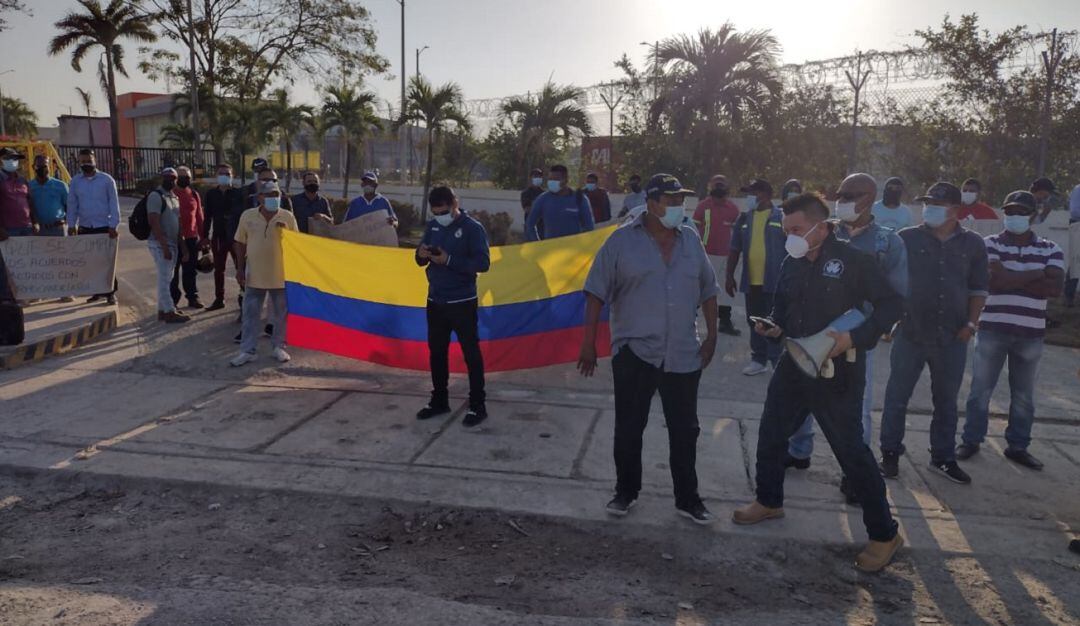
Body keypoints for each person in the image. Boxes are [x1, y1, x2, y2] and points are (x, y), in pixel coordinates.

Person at [731, 192, 904, 573]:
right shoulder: (792, 262)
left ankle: (884, 533)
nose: (788, 236)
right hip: (794, 361)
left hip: (837, 371)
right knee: (772, 433)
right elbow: (783, 308)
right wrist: (772, 326)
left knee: (850, 451)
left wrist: (855, 338)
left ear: (820, 228)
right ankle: (769, 500)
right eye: (785, 228)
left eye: (796, 229)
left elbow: (892, 305)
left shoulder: (855, 262)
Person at [578, 173, 719, 525]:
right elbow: (596, 292)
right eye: (671, 201)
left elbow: (709, 289)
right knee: (629, 427)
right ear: (652, 202)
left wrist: (713, 335)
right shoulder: (621, 242)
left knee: (685, 430)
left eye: (680, 201)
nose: (678, 208)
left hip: (683, 353)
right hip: (635, 352)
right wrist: (588, 342)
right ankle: (626, 492)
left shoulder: (690, 240)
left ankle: (688, 499)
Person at [786, 173, 908, 504]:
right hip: (814, 329)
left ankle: (854, 473)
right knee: (802, 391)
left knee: (856, 406)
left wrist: (868, 330)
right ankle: (798, 451)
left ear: (869, 198)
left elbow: (896, 295)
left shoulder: (887, 242)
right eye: (839, 193)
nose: (842, 200)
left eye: (850, 194)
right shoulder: (825, 232)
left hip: (855, 337)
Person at [880, 182, 989, 485]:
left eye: (936, 205)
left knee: (946, 401)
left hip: (953, 337)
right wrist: (890, 319)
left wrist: (970, 325)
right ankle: (889, 453)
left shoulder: (973, 245)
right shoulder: (906, 239)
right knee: (896, 397)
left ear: (955, 210)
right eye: (927, 204)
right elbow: (886, 281)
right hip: (911, 333)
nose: (929, 209)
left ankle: (942, 457)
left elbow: (979, 289)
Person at [957, 190, 1064, 471]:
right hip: (993, 327)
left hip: (1031, 332)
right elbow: (994, 282)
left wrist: (1011, 276)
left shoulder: (1051, 248)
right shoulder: (987, 244)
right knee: (980, 389)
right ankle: (971, 439)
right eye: (1010, 211)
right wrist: (1037, 273)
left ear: (1032, 215)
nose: (1014, 217)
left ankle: (1018, 446)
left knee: (1024, 395)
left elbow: (1054, 288)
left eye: (1021, 212)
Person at [414, 185, 491, 430]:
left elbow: (483, 263)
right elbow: (419, 260)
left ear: (454, 204)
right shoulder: (433, 225)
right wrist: (421, 253)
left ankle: (477, 404)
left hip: (462, 301)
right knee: (437, 352)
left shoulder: (472, 228)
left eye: (444, 211)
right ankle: (439, 399)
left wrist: (448, 260)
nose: (440, 216)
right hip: (435, 300)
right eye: (436, 212)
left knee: (471, 353)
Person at [230, 180, 298, 367]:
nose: (273, 198)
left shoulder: (288, 217)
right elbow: (240, 242)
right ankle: (248, 350)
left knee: (280, 314)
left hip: (280, 275)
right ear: (260, 197)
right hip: (255, 275)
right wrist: (240, 268)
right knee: (250, 313)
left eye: (276, 195)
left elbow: (297, 245)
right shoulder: (248, 216)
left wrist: (286, 234)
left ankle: (278, 346)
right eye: (268, 195)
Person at [728, 178, 785, 375]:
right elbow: (734, 248)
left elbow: (793, 249)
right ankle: (758, 359)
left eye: (753, 193)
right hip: (751, 281)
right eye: (748, 194)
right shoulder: (744, 218)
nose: (749, 198)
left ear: (766, 195)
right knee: (755, 322)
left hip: (775, 282)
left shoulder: (781, 217)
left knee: (775, 323)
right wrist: (729, 275)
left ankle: (778, 360)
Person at [68, 149, 120, 305]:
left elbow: (113, 203)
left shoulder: (106, 180)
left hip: (104, 226)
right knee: (90, 261)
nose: (86, 164)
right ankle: (97, 292)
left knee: (107, 261)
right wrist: (72, 224)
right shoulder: (76, 181)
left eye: (88, 160)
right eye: (83, 161)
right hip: (85, 227)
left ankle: (111, 293)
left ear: (94, 160)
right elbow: (72, 204)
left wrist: (113, 225)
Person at [692, 174, 741, 336]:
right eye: (716, 186)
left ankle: (725, 321)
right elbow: (693, 230)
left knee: (726, 290)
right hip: (705, 254)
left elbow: (738, 233)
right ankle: (688, 320)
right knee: (700, 288)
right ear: (711, 189)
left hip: (726, 255)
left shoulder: (733, 209)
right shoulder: (702, 206)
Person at [145, 168, 187, 324]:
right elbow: (153, 221)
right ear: (162, 179)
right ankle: (169, 311)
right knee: (164, 278)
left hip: (172, 242)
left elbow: (179, 223)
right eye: (168, 178)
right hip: (159, 243)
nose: (171, 180)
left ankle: (162, 310)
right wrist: (164, 245)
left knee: (167, 278)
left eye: (173, 178)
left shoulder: (174, 197)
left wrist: (183, 247)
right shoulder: (156, 196)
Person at [202, 163, 246, 311]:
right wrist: (204, 236)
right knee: (219, 269)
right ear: (216, 175)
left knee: (241, 267)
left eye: (227, 174)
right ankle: (219, 299)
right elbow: (207, 216)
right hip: (219, 236)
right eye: (221, 173)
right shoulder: (210, 194)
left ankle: (244, 297)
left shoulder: (238, 194)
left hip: (236, 238)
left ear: (232, 176)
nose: (224, 176)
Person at [525, 164, 594, 241]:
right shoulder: (543, 199)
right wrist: (537, 244)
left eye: (556, 179)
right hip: (550, 249)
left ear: (566, 180)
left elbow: (589, 227)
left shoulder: (580, 199)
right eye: (550, 179)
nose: (552, 182)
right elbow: (530, 224)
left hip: (574, 249)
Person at [170, 166, 206, 310]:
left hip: (191, 238)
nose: (186, 179)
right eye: (182, 176)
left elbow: (199, 218)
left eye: (188, 176)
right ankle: (172, 300)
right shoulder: (170, 194)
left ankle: (192, 297)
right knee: (173, 272)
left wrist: (203, 238)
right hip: (173, 238)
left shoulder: (194, 194)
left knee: (190, 270)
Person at [0, 147, 35, 238]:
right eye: (8, 158)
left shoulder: (22, 179)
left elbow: (29, 202)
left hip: (27, 227)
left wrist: (35, 222)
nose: (13, 161)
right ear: (1, 160)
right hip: (8, 230)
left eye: (15, 158)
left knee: (29, 253)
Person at [29, 156, 68, 237]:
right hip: (37, 230)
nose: (42, 169)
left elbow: (70, 207)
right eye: (39, 166)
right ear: (33, 167)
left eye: (45, 166)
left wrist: (65, 221)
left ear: (49, 167)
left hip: (58, 230)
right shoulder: (29, 186)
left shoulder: (61, 185)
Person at [1066, 182, 1080, 307]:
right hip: (1078, 225)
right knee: (1076, 261)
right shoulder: (1078, 189)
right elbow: (1075, 211)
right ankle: (1069, 296)